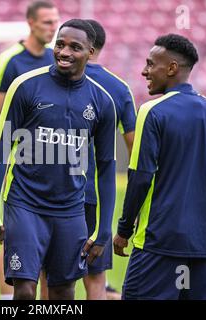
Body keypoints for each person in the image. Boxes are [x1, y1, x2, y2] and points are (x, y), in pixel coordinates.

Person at [0, 19, 117, 300]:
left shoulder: (102, 101)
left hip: (71, 210)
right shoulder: (26, 86)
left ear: (91, 52)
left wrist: (105, 228)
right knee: (24, 290)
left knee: (63, 291)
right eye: (60, 44)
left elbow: (106, 168)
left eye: (75, 47)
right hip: (24, 205)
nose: (64, 52)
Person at [113, 34, 206, 300]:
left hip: (157, 244)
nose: (144, 71)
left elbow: (140, 176)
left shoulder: (152, 111)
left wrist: (124, 230)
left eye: (151, 64)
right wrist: (193, 181)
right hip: (204, 245)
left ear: (172, 68)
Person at [0, 0, 59, 300]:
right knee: (13, 236)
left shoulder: (58, 58)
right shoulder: (10, 60)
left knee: (49, 245)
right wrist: (1, 164)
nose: (52, 28)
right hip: (17, 164)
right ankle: (7, 299)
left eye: (55, 22)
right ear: (30, 22)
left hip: (52, 165)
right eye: (46, 22)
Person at [82, 19, 137, 300]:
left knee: (49, 278)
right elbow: (136, 152)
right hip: (97, 196)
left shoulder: (47, 78)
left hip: (51, 195)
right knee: (96, 281)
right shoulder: (118, 87)